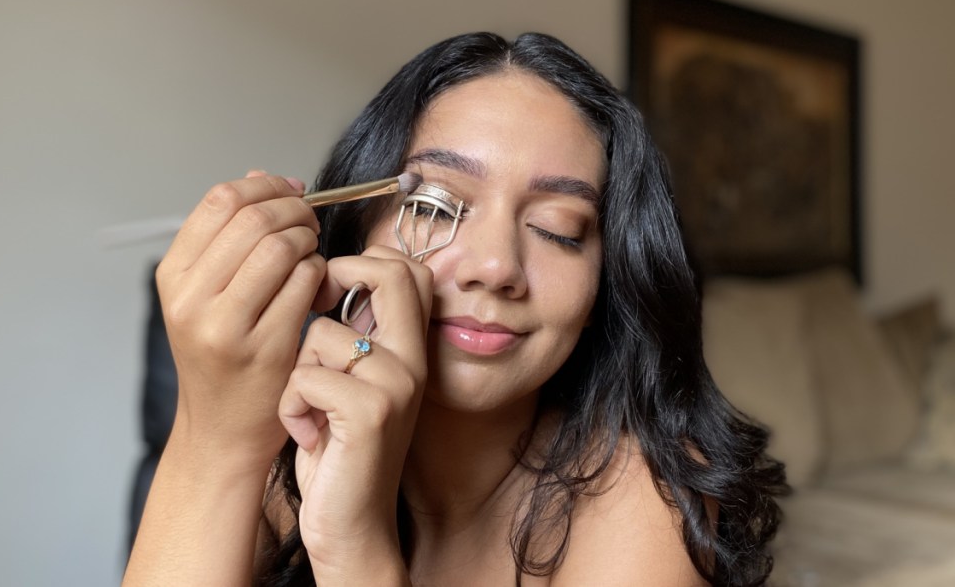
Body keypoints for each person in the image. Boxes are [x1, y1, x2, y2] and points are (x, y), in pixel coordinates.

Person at [122, 32, 787, 586]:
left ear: (601, 290)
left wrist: (357, 544)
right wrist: (214, 437)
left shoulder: (644, 495)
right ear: (354, 237)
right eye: (435, 205)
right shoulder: (285, 459)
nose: (496, 266)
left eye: (558, 226)